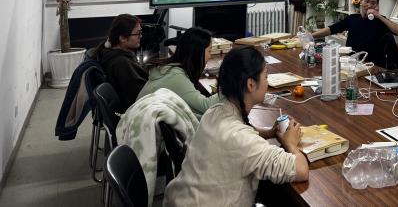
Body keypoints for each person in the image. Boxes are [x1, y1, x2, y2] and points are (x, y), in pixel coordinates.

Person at [163, 48, 309, 206]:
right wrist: (291, 144)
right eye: (266, 76)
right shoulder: (243, 140)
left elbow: (237, 134)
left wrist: (269, 133)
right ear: (251, 84)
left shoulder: (215, 111)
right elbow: (301, 170)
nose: (267, 82)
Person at [312, 0, 398, 70]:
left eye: (373, 3)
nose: (369, 5)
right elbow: (332, 29)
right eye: (367, 1)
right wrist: (311, 36)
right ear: (361, 1)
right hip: (351, 65)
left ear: (377, 5)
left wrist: (379, 16)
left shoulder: (380, 21)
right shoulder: (352, 18)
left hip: (372, 68)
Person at [137, 27, 220, 118]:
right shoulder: (176, 76)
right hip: (145, 124)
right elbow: (207, 106)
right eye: (209, 51)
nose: (210, 56)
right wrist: (226, 86)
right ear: (197, 52)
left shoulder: (169, 68)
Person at [94, 13, 149, 110]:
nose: (141, 36)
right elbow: (139, 97)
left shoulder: (112, 54)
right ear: (122, 38)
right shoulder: (121, 63)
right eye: (138, 33)